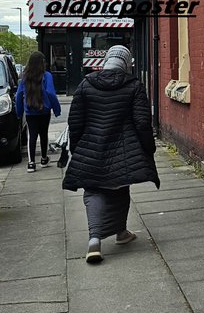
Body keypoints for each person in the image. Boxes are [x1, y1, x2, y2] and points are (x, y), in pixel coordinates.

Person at [62, 44, 159, 264]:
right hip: (122, 149)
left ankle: (95, 240)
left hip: (92, 147)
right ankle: (121, 233)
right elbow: (143, 122)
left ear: (106, 61)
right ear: (126, 63)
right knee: (119, 187)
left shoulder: (86, 84)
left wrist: (75, 148)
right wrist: (148, 147)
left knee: (94, 190)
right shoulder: (133, 85)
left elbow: (75, 122)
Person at [15, 51, 61, 172]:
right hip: (44, 111)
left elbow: (18, 95)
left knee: (32, 135)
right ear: (42, 63)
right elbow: (51, 93)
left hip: (30, 111)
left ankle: (31, 163)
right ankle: (44, 159)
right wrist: (56, 109)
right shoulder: (47, 76)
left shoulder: (24, 77)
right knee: (44, 133)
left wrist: (19, 112)